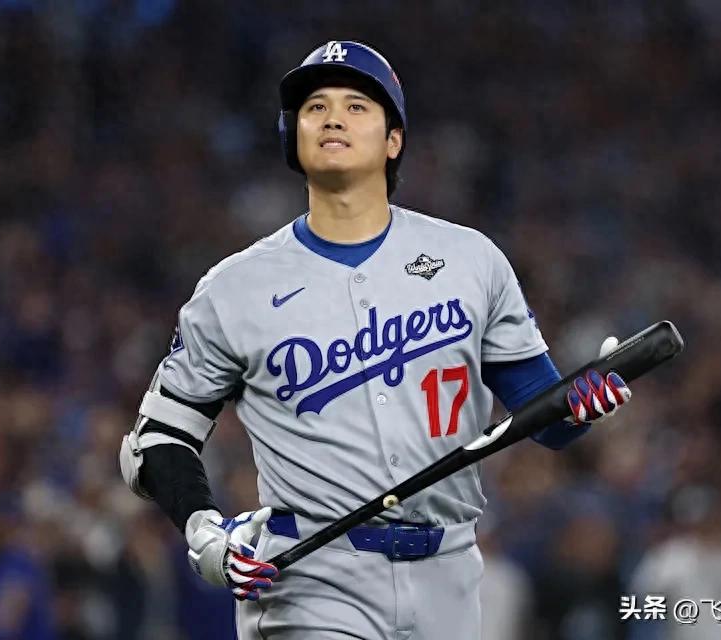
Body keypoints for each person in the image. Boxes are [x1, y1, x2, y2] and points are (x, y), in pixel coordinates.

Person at [119, 40, 633, 640]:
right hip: (312, 580)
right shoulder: (234, 289)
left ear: (394, 140)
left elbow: (546, 419)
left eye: (357, 105)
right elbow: (157, 438)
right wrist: (205, 530)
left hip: (451, 573)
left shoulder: (471, 260)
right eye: (315, 106)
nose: (332, 116)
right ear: (294, 137)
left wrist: (584, 400)